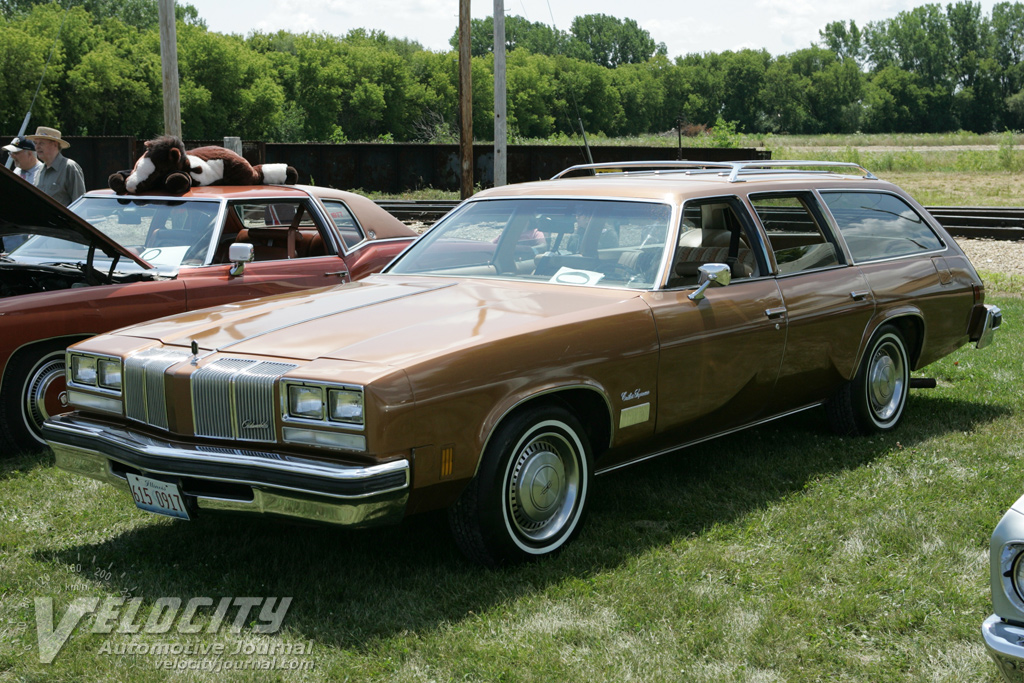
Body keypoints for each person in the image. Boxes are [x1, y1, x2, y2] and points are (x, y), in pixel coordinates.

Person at [26, 126, 85, 206]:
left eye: (41, 143)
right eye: (35, 143)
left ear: (55, 144)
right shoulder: (40, 170)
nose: (37, 147)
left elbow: (79, 204)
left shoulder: (69, 167)